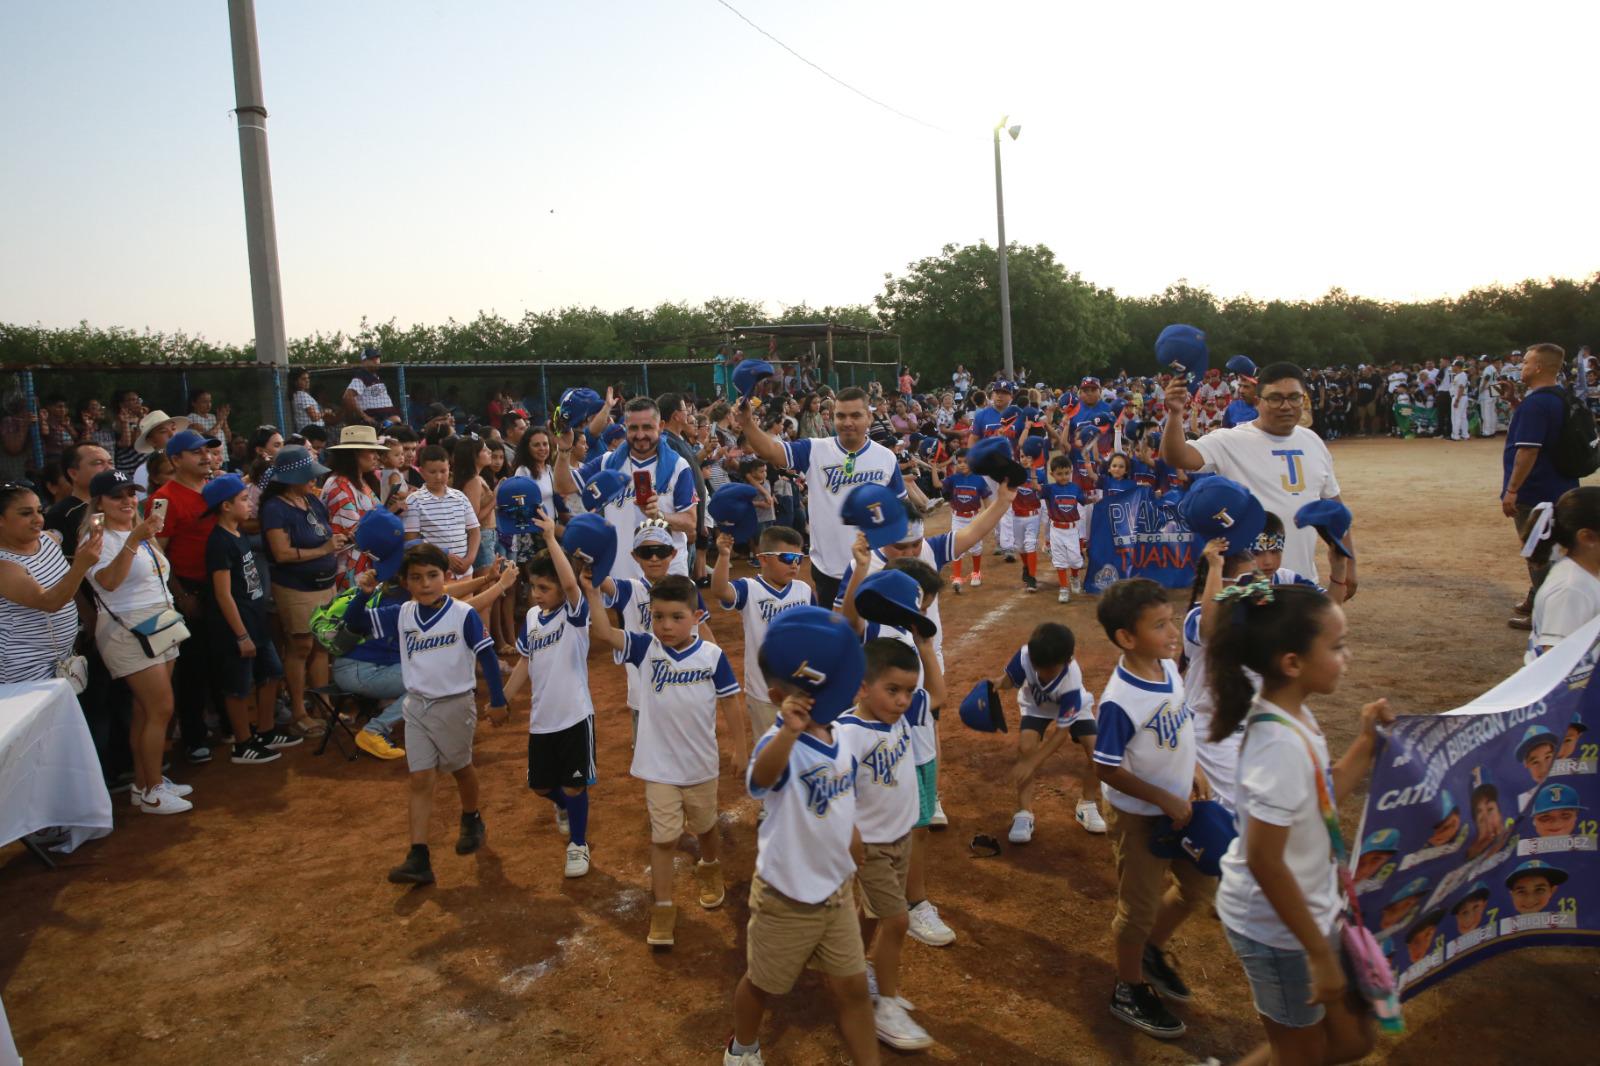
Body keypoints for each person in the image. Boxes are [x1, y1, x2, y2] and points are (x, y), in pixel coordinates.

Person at [1209, 582, 1390, 1066]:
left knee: (1353, 1042)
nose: (1346, 656)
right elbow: (1267, 863)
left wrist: (1366, 743)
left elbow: (1320, 796)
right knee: (1303, 1054)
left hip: (1305, 916)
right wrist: (1319, 955)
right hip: (1280, 931)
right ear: (1292, 662)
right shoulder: (1278, 746)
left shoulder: (1294, 718)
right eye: (1336, 646)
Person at [725, 613, 879, 1066]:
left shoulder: (841, 733)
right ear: (779, 699)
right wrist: (788, 732)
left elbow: (841, 794)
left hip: (834, 892)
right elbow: (758, 780)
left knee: (852, 988)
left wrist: (850, 837)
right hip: (785, 899)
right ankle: (742, 1047)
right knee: (762, 983)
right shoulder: (780, 743)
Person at [584, 571, 745, 948]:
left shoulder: (712, 656)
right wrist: (592, 592)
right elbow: (605, 633)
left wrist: (740, 746)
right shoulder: (644, 648)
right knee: (664, 837)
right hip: (658, 767)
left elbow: (730, 702)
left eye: (676, 617)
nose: (666, 625)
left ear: (696, 617)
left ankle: (709, 867)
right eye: (658, 616)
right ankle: (663, 909)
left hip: (701, 764)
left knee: (706, 826)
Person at [1091, 578, 1210, 1039]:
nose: (1173, 631)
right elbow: (1106, 767)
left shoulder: (1169, 669)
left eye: (1171, 620)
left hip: (1178, 805)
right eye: (1160, 625)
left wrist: (1194, 767)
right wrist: (1161, 797)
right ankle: (1127, 987)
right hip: (1140, 817)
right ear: (1127, 638)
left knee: (1197, 888)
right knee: (1137, 908)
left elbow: (1181, 724)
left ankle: (1150, 950)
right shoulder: (1121, 701)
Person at [346, 545, 506, 885]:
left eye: (433, 575)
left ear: (444, 577)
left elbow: (488, 657)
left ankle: (471, 816)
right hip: (417, 705)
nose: (426, 584)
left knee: (461, 768)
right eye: (416, 578)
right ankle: (418, 856)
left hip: (455, 703)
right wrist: (363, 594)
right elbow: (355, 623)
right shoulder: (402, 612)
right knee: (420, 778)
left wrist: (499, 700)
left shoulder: (461, 613)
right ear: (406, 582)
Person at [1160, 363, 1354, 587]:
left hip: (1302, 582)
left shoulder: (1313, 441)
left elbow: (1335, 508)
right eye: (1275, 398)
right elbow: (1178, 457)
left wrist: (1351, 563)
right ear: (1257, 400)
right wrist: (1175, 414)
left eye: (1294, 397)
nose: (1286, 406)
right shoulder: (1230, 440)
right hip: (1247, 586)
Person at [835, 637, 939, 1051]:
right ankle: (886, 1007)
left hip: (900, 840)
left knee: (875, 915)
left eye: (909, 692)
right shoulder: (848, 733)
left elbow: (940, 697)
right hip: (872, 847)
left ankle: (853, 970)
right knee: (897, 921)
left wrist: (926, 649)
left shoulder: (898, 716)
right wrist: (855, 847)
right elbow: (837, 797)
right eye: (892, 690)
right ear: (863, 686)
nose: (902, 701)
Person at [85, 470, 194, 814]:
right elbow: (109, 582)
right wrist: (135, 538)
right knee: (160, 707)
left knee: (144, 710)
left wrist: (142, 536)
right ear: (99, 502)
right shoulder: (96, 536)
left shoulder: (142, 533)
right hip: (126, 629)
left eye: (131, 494)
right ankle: (153, 792)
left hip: (158, 622)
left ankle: (145, 783)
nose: (127, 501)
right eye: (117, 496)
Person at [739, 387, 906, 610]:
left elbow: (900, 511)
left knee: (873, 638)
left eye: (855, 415)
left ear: (869, 417)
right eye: (841, 415)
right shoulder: (815, 450)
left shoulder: (885, 457)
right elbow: (770, 450)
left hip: (874, 569)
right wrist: (747, 422)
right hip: (829, 569)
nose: (847, 422)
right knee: (835, 638)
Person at [501, 515, 596, 879]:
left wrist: (550, 539)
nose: (536, 594)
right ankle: (563, 808)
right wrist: (505, 698)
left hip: (574, 715)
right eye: (533, 587)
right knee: (541, 785)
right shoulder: (533, 620)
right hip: (542, 718)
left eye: (544, 587)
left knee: (574, 784)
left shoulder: (574, 615)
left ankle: (579, 844)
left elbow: (572, 584)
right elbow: (526, 661)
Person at [201, 473, 294, 764]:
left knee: (272, 672)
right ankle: (242, 743)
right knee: (239, 687)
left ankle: (264, 731)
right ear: (226, 506)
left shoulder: (238, 534)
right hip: (236, 626)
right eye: (243, 500)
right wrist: (241, 634)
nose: (249, 504)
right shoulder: (218, 542)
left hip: (254, 620)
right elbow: (223, 594)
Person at [555, 397, 698, 584]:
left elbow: (690, 523)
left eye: (647, 427)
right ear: (625, 428)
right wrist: (564, 450)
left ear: (661, 426)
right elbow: (563, 485)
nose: (640, 435)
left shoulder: (678, 466)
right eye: (633, 428)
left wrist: (660, 516)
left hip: (667, 572)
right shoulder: (607, 462)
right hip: (621, 571)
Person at [261, 445, 346, 738]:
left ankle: (321, 705)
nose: (314, 480)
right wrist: (324, 548)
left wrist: (335, 542)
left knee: (322, 645)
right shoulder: (274, 508)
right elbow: (281, 554)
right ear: (290, 478)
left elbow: (322, 533)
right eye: (307, 475)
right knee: (300, 647)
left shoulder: (310, 500)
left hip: (325, 584)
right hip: (295, 588)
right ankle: (299, 712)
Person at [151, 427, 222, 763]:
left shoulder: (213, 488)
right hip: (192, 589)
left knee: (222, 659)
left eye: (207, 451)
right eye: (197, 452)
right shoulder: (163, 499)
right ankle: (192, 737)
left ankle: (226, 725)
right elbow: (158, 555)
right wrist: (179, 594)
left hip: (222, 586)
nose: (205, 456)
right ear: (175, 459)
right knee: (193, 668)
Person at [999, 622, 1104, 843]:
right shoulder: (1027, 654)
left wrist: (1033, 763)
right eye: (1039, 668)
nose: (1043, 674)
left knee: (1096, 751)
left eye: (1050, 669)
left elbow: (1061, 733)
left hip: (1072, 706)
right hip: (1036, 705)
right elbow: (1010, 680)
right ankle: (1024, 812)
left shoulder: (1071, 683)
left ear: (1069, 660)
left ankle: (1087, 804)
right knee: (1026, 747)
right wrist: (998, 683)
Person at [710, 525, 815, 740]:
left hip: (799, 688)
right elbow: (720, 590)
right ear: (764, 559)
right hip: (763, 690)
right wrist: (723, 556)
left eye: (798, 558)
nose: (794, 564)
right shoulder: (749, 588)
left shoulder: (804, 590)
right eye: (786, 558)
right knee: (769, 746)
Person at [1503, 343, 1581, 630]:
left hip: (1536, 490)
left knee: (1538, 552)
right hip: (1560, 485)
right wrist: (1514, 403)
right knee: (1553, 548)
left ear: (1537, 367)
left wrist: (1512, 490)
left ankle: (1548, 614)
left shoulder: (1537, 404)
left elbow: (1528, 451)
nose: (1521, 366)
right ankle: (1538, 596)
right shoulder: (1559, 397)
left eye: (1525, 362)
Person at [0, 481, 102, 683]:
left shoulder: (48, 540)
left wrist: (86, 617)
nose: (37, 519)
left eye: (39, 510)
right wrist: (81, 566)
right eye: (25, 513)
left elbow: (64, 585)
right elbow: (49, 602)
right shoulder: (4, 564)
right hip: (22, 667)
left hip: (62, 657)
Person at [1527, 487, 1600, 662]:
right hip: (1570, 687)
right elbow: (1555, 661)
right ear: (1587, 537)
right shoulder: (1571, 589)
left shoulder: (1589, 572)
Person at [322, 425, 388, 590]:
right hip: (349, 568)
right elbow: (354, 532)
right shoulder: (338, 485)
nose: (376, 456)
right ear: (354, 454)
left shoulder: (361, 481)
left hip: (367, 564)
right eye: (371, 451)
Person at [404, 444, 480, 577]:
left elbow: (474, 531)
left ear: (449, 468)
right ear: (421, 471)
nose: (438, 477)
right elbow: (412, 542)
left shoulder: (460, 497)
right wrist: (443, 556)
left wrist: (469, 560)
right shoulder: (414, 501)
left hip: (465, 572)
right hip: (435, 572)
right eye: (432, 472)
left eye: (443, 471)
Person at [1040, 454, 1087, 602]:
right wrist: (1033, 472)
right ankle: (1064, 588)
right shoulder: (1050, 489)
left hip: (1072, 530)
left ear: (1071, 472)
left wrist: (1096, 499)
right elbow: (1036, 487)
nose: (1064, 476)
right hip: (1056, 530)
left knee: (1075, 560)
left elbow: (1084, 501)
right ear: (1052, 474)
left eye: (1067, 473)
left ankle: (1074, 577)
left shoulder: (1075, 488)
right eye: (1059, 474)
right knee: (1060, 560)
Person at [343, 347, 400, 426]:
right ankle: (382, 427)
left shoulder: (376, 376)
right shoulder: (362, 375)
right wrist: (365, 417)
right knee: (405, 430)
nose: (376, 361)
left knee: (406, 431)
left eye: (377, 358)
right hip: (375, 421)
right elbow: (347, 397)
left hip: (388, 418)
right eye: (372, 359)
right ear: (364, 361)